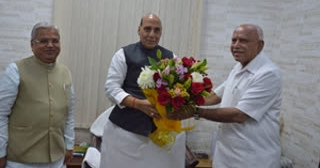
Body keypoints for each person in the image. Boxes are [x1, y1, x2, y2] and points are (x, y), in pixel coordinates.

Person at [168, 24, 282, 168]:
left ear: (259, 45)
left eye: (243, 41)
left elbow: (239, 115)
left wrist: (195, 112)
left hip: (252, 157)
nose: (236, 45)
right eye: (233, 40)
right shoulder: (239, 67)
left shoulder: (268, 74)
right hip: (227, 153)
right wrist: (181, 97)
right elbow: (215, 96)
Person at [99, 13, 186, 168]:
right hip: (125, 131)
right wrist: (137, 103)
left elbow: (179, 89)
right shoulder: (123, 54)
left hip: (160, 133)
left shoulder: (171, 58)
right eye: (147, 29)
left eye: (157, 30)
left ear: (161, 33)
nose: (152, 34)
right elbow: (111, 88)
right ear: (139, 30)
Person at [0, 22, 75, 168]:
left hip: (56, 158)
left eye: (55, 41)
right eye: (43, 41)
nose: (50, 45)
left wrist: (69, 144)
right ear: (32, 44)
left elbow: (69, 113)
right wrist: (0, 152)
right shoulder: (15, 70)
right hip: (21, 159)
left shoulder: (65, 72)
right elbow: (1, 114)